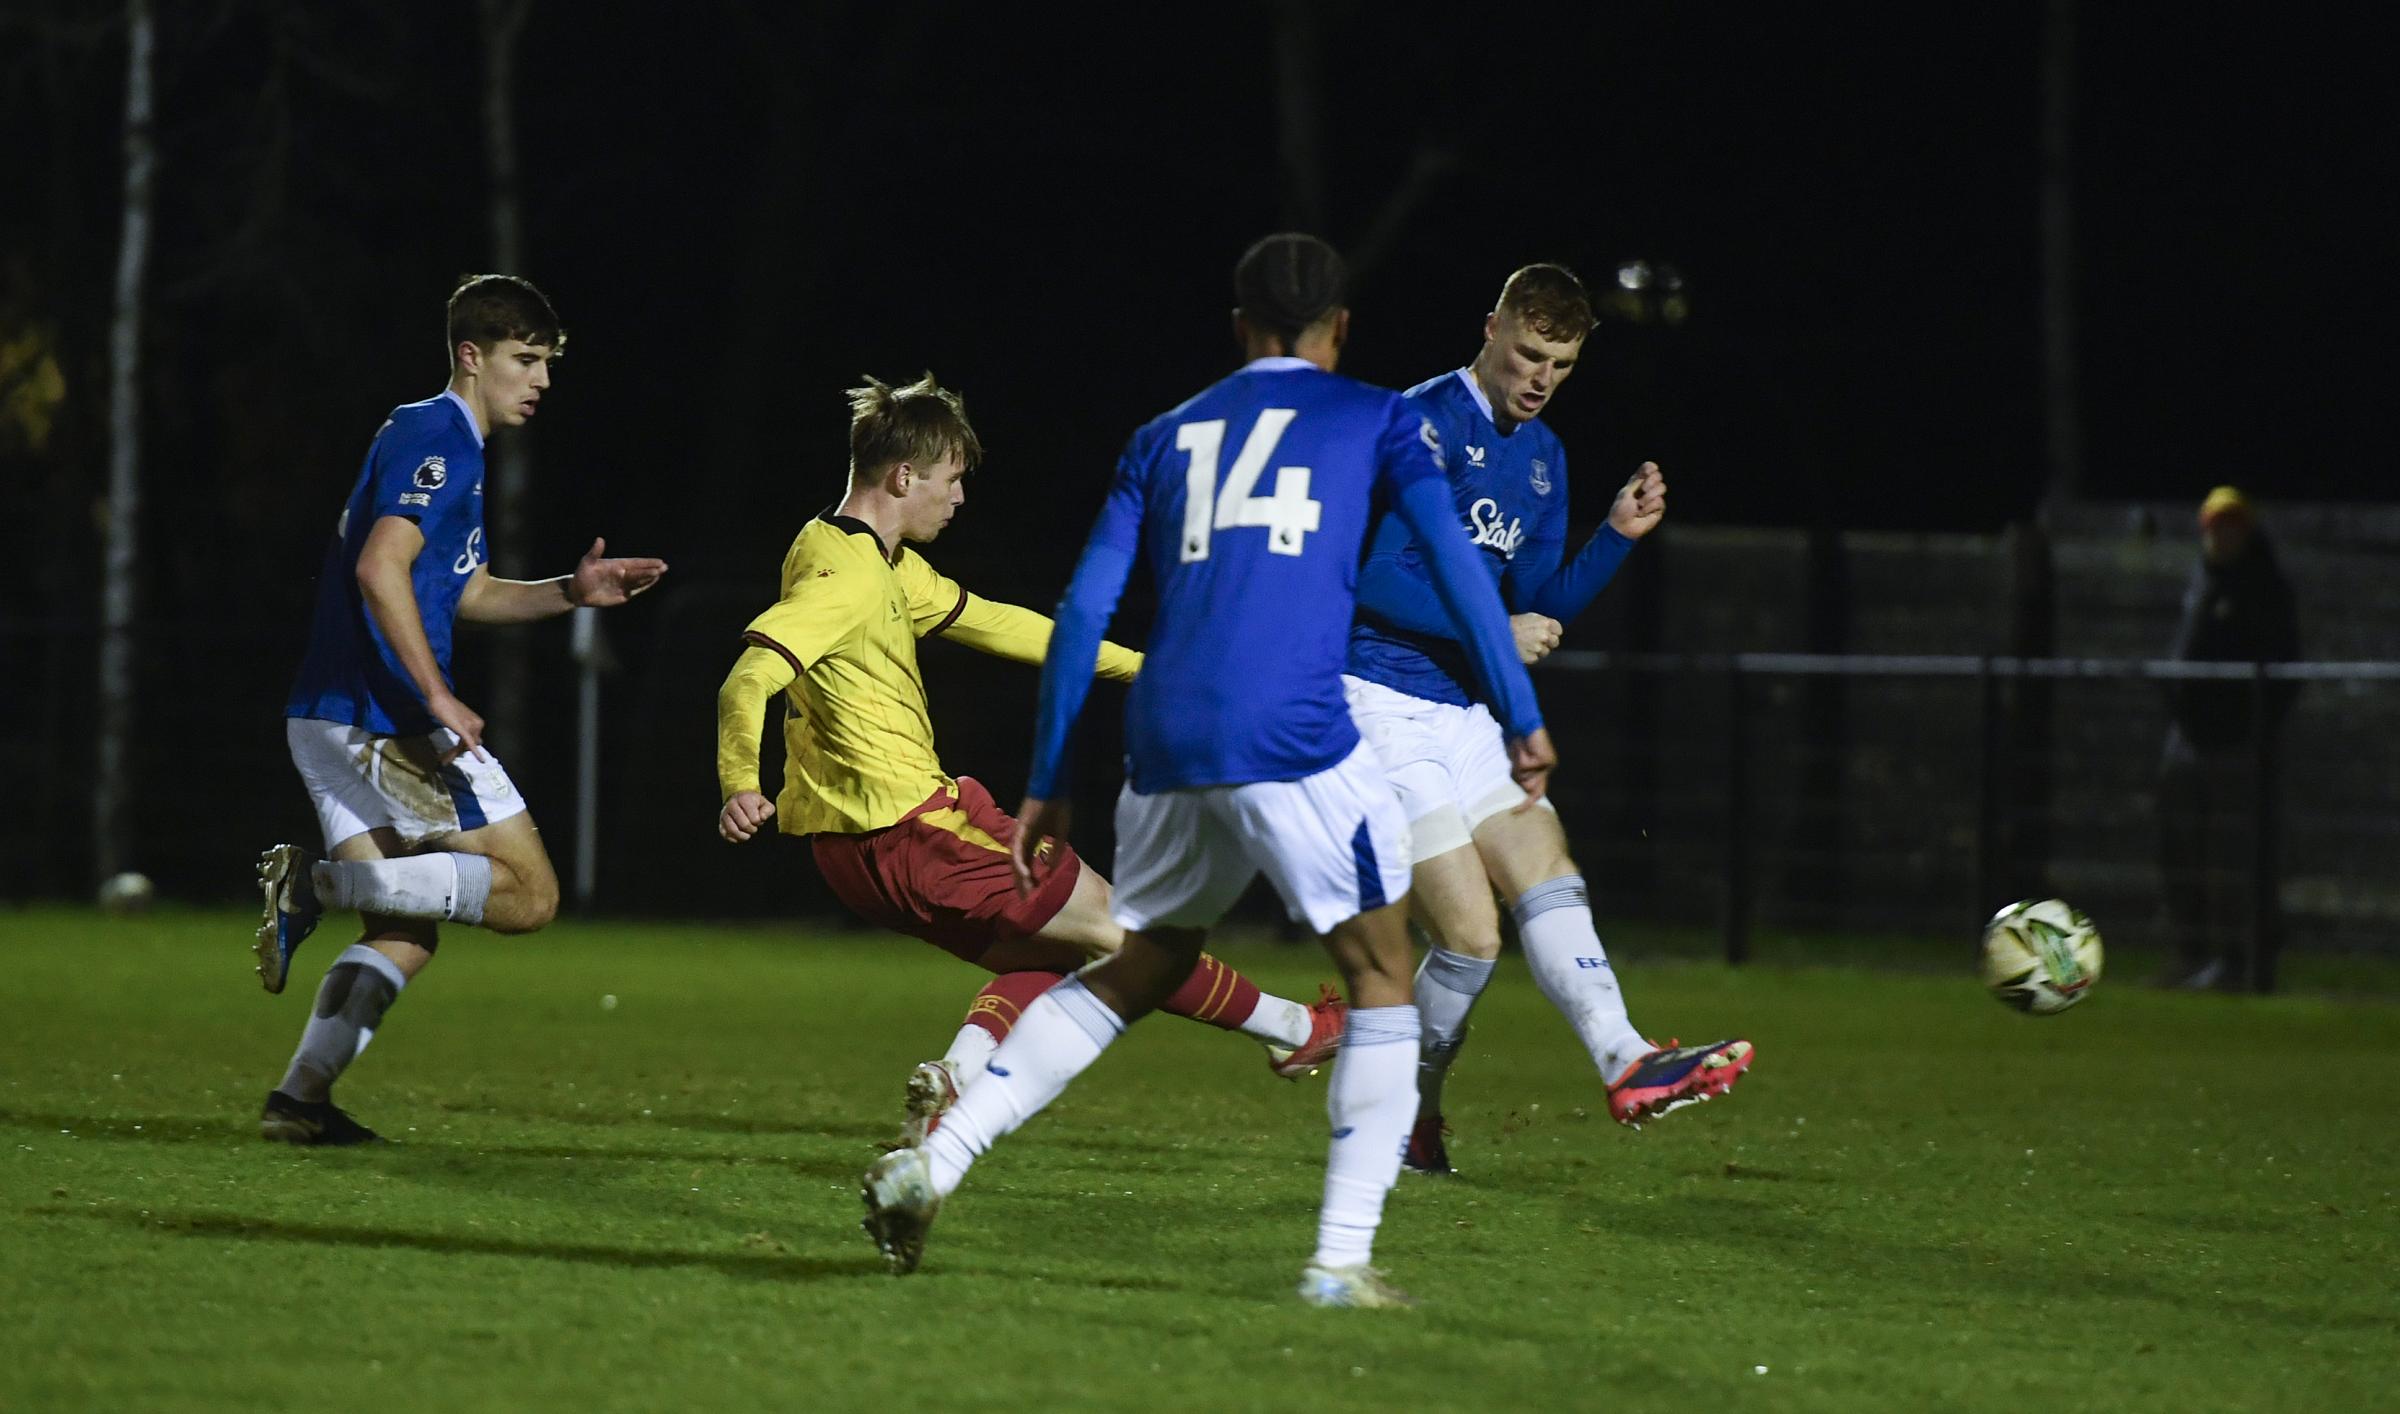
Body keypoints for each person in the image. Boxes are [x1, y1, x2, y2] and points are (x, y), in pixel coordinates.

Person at [859, 233, 1555, 1309]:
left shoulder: (1165, 435)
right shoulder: (1378, 416)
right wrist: (1516, 708)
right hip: (1297, 731)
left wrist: (1047, 774)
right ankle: (1338, 1263)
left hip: (1172, 735)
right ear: (1341, 331)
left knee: (1136, 966)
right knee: (1379, 980)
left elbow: (1086, 608)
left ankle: (933, 1163)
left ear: (1240, 327)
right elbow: (1459, 570)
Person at [713, 373, 1348, 1143]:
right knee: (1134, 931)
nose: (959, 498)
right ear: (903, 476)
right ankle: (1294, 1027)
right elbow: (750, 676)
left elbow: (1004, 626)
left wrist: (1145, 668)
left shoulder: (872, 560)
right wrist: (739, 781)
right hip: (912, 828)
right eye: (951, 480)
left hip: (857, 849)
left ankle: (954, 1081)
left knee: (1058, 948)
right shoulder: (842, 576)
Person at [1341, 263, 1752, 1176]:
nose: (1540, 378)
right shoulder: (1418, 421)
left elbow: (1536, 601)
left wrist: (1613, 537)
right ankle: (1404, 1116)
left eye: (1561, 365)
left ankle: (1624, 1057)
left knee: (1544, 867)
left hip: (1463, 711)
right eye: (1529, 354)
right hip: (1377, 703)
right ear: (1489, 329)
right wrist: (1493, 625)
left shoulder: (1544, 459)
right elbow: (1369, 579)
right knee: (1473, 938)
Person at [253, 274, 668, 1144]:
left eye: (547, 363)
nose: (541, 380)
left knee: (406, 928)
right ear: (471, 356)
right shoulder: (445, 440)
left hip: (325, 715)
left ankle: (299, 1101)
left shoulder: (420, 435)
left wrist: (569, 591)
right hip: (386, 720)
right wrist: (438, 696)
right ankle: (314, 887)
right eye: (524, 360)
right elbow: (379, 567)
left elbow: (461, 589)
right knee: (531, 896)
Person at [2157, 485, 2300, 991]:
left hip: (2234, 745)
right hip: (2190, 740)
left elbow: (2285, 668)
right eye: (2216, 524)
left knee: (2233, 858)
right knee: (2182, 850)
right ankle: (2192, 955)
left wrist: (2252, 729)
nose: (2224, 534)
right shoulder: (2202, 582)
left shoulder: (2262, 588)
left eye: (2233, 524)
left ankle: (2236, 960)